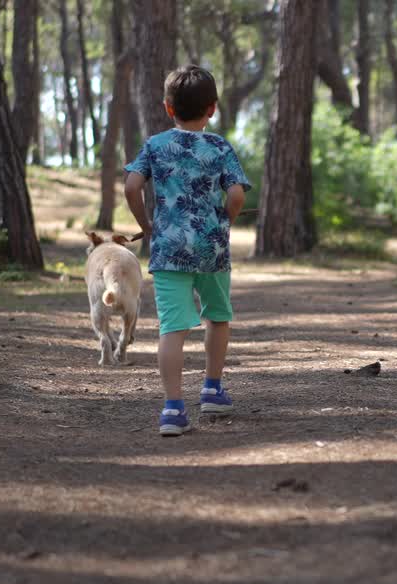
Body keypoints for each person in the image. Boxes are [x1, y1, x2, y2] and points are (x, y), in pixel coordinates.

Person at [124, 65, 251, 436]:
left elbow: (132, 187)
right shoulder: (220, 147)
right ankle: (212, 388)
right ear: (212, 108)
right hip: (211, 247)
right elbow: (237, 194)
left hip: (168, 249)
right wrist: (226, 218)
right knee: (217, 315)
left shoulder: (155, 146)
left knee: (173, 327)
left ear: (168, 108)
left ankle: (173, 409)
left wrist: (147, 225)